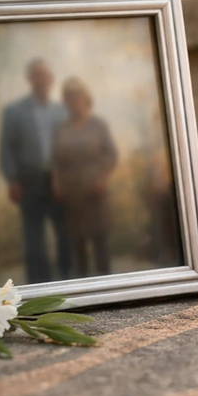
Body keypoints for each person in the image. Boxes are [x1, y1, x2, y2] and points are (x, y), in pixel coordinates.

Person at [0, 58, 73, 283]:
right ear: (30, 79)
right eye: (37, 75)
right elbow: (6, 148)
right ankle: (39, 289)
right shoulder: (14, 112)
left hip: (58, 180)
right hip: (28, 181)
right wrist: (11, 179)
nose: (42, 80)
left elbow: (70, 148)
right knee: (34, 239)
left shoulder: (62, 111)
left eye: (46, 75)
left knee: (65, 235)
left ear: (51, 80)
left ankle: (70, 283)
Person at [52, 77, 118, 277]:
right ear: (66, 102)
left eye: (78, 98)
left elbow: (111, 155)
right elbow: (55, 161)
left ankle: (107, 288)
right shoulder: (62, 128)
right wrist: (56, 184)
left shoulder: (98, 124)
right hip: (72, 193)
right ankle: (84, 291)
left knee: (100, 242)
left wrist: (102, 179)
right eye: (70, 99)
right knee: (77, 245)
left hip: (95, 190)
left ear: (86, 99)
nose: (75, 103)